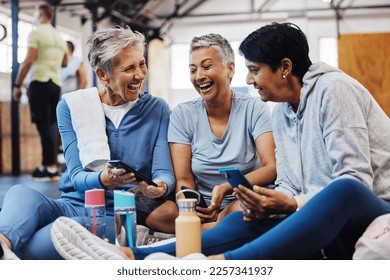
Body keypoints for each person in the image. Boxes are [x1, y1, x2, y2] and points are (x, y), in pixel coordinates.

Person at [50, 22, 390, 260]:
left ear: (285, 67)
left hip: (372, 203)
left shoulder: (333, 90)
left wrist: (291, 203)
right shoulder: (284, 111)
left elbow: (356, 182)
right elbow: (288, 180)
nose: (249, 79)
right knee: (250, 216)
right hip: (316, 206)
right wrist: (273, 200)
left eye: (255, 69)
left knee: (341, 190)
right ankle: (131, 255)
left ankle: (220, 263)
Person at [0, 25, 177, 260]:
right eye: (129, 68)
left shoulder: (157, 109)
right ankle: (3, 243)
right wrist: (104, 179)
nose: (140, 74)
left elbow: (164, 171)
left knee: (51, 237)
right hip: (71, 203)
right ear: (103, 75)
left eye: (141, 63)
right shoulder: (72, 106)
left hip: (113, 212)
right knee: (20, 193)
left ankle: (12, 251)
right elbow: (76, 177)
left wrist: (161, 187)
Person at [168, 33, 276, 227]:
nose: (199, 76)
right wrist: (191, 212)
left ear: (230, 69)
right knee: (163, 212)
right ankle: (210, 228)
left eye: (207, 66)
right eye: (193, 70)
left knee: (239, 213)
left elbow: (271, 167)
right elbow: (184, 179)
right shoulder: (182, 115)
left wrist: (226, 188)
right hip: (204, 208)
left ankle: (214, 228)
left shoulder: (254, 108)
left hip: (243, 201)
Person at [13, 4, 68, 181]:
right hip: (55, 84)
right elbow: (65, 62)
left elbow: (29, 60)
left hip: (40, 82)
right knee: (51, 124)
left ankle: (50, 166)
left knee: (43, 124)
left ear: (40, 14)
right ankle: (47, 164)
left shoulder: (36, 33)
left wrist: (17, 84)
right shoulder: (59, 37)